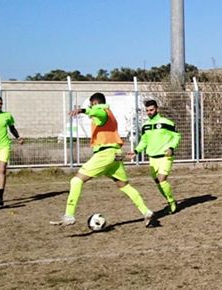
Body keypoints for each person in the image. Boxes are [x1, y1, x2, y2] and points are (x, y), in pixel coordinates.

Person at [52, 93, 154, 227]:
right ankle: (146, 211)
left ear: (95, 103)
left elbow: (99, 113)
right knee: (124, 186)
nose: (90, 108)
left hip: (105, 154)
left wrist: (83, 110)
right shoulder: (110, 113)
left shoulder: (102, 111)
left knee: (76, 180)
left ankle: (69, 215)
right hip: (116, 154)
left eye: (91, 105)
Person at [134, 99, 181, 213]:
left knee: (162, 179)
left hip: (165, 156)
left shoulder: (167, 122)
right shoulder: (145, 126)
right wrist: (136, 151)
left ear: (157, 109)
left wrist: (171, 148)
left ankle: (171, 202)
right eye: (147, 110)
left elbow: (176, 136)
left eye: (151, 110)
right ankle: (170, 200)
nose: (149, 112)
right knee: (157, 182)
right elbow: (143, 141)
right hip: (152, 158)